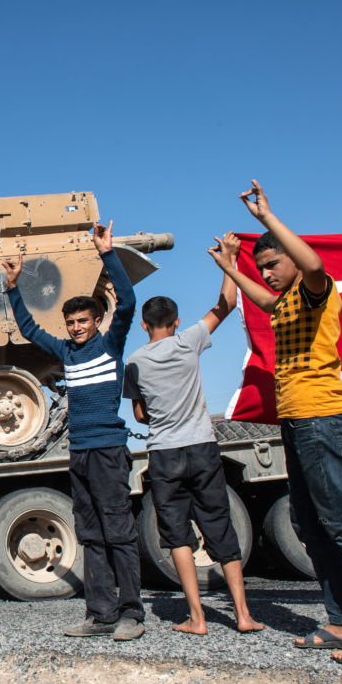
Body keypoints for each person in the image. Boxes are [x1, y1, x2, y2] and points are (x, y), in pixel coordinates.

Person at [211, 180, 342, 665]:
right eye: (263, 268)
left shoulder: (317, 290)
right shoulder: (286, 305)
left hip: (323, 416)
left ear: (295, 259)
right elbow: (262, 300)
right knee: (307, 521)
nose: (269, 274)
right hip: (299, 423)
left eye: (273, 264)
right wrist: (230, 267)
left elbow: (316, 264)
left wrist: (265, 219)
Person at [2, 221, 145, 641]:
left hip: (108, 450)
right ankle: (100, 615)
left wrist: (107, 253)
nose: (76, 327)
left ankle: (132, 614)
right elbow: (29, 330)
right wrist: (13, 287)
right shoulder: (66, 351)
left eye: (83, 320)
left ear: (97, 320)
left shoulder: (110, 345)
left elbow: (130, 302)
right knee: (91, 535)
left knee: (119, 532)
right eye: (71, 322)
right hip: (79, 452)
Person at [123, 241, 263, 635]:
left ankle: (197, 618)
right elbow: (226, 304)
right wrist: (229, 262)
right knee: (219, 524)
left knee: (178, 534)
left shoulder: (134, 362)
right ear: (177, 320)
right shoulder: (190, 341)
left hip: (165, 453)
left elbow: (139, 414)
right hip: (202, 445)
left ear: (144, 326)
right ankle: (243, 615)